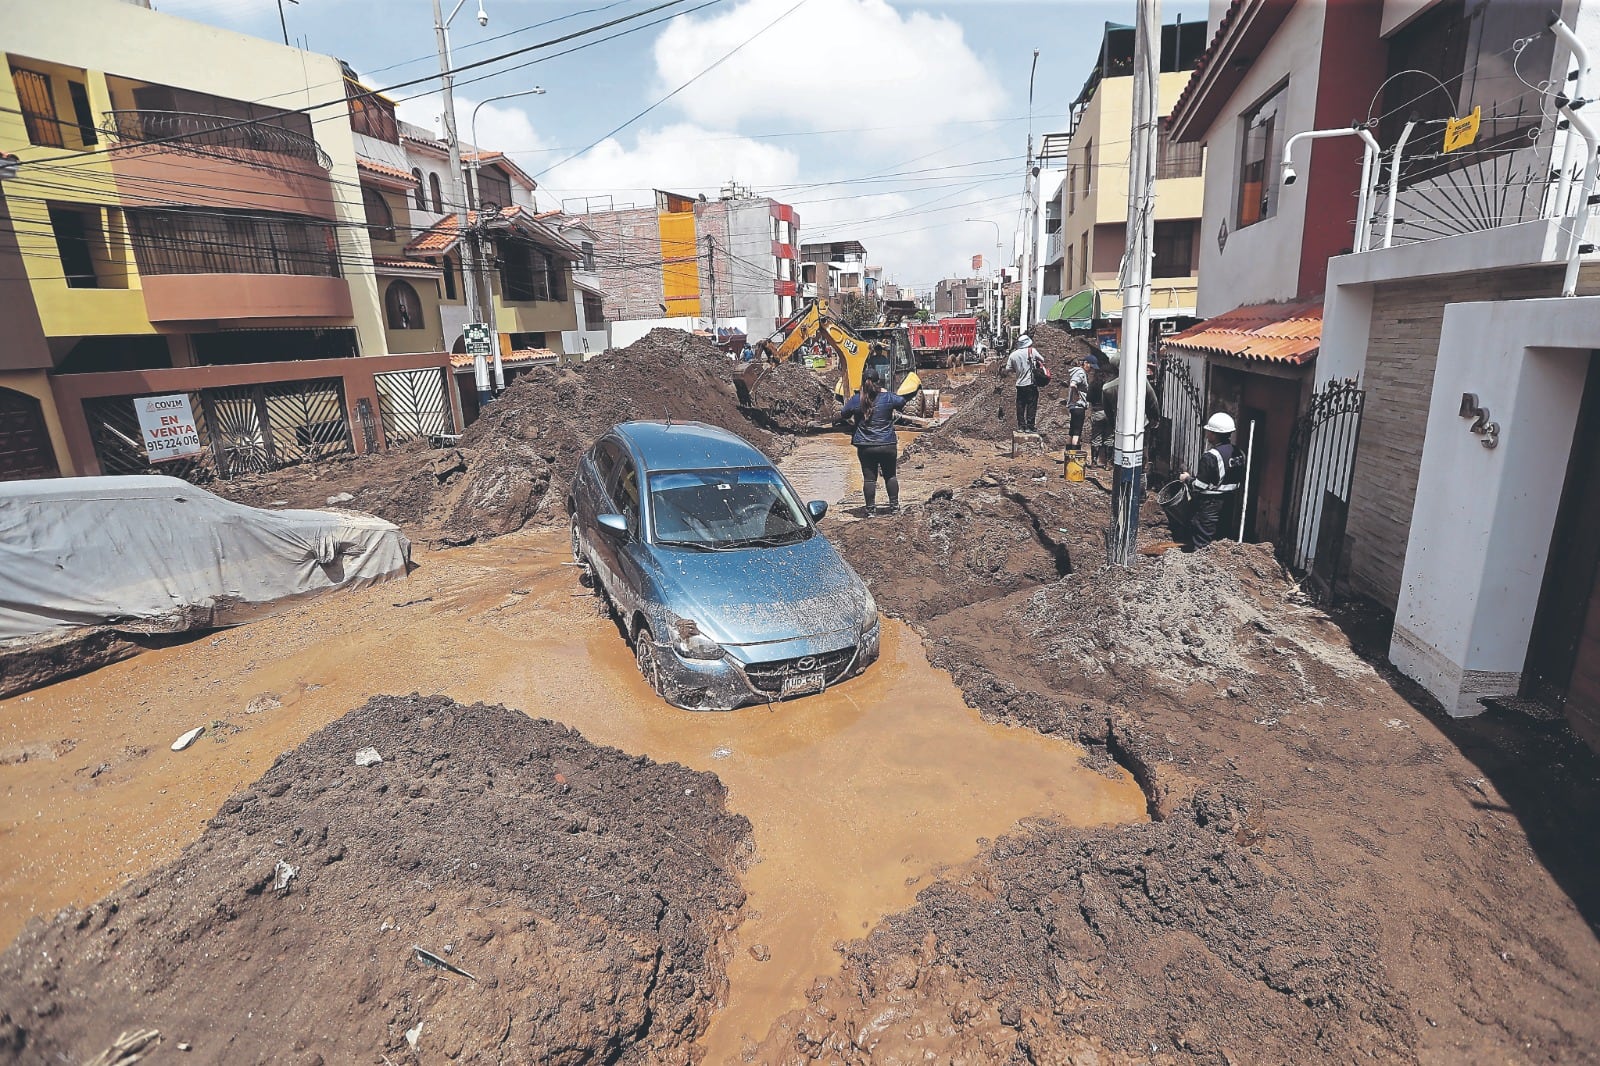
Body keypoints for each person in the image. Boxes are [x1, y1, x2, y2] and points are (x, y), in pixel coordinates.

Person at [840, 369, 908, 517]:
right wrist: (884, 392)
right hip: (887, 444)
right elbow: (902, 402)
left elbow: (844, 413)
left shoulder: (857, 399)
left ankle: (870, 510)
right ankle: (894, 507)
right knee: (890, 476)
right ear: (879, 382)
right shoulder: (888, 397)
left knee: (869, 479)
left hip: (865, 446)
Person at [1180, 412, 1247, 549]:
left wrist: (1187, 478)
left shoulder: (1210, 456)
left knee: (1202, 538)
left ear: (1214, 434)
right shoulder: (1239, 453)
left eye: (1209, 431)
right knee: (1221, 539)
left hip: (1210, 504)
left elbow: (1199, 486)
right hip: (1230, 502)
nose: (1207, 433)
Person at [1004, 333, 1041, 432]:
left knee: (1020, 405)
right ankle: (1030, 427)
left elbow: (1008, 369)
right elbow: (1042, 360)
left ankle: (1021, 426)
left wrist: (1017, 369)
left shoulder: (1013, 355)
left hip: (1019, 384)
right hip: (1030, 384)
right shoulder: (1032, 351)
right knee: (1031, 405)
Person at [1065, 352, 1093, 456]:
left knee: (1072, 432)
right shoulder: (1080, 373)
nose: (1091, 369)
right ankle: (1074, 457)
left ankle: (1068, 455)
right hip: (1078, 407)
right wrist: (1077, 394)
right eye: (1091, 366)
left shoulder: (1077, 372)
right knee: (1077, 432)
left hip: (1073, 407)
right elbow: (1073, 384)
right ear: (1086, 363)